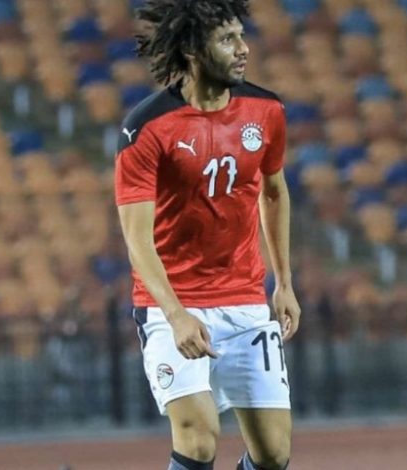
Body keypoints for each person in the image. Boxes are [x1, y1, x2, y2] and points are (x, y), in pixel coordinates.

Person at [115, 1, 301, 469]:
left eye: (241, 36)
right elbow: (137, 239)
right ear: (194, 50)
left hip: (245, 299)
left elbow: (274, 192)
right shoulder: (146, 128)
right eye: (227, 39)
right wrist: (176, 315)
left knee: (274, 454)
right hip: (172, 304)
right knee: (198, 439)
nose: (243, 49)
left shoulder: (266, 110)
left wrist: (284, 283)